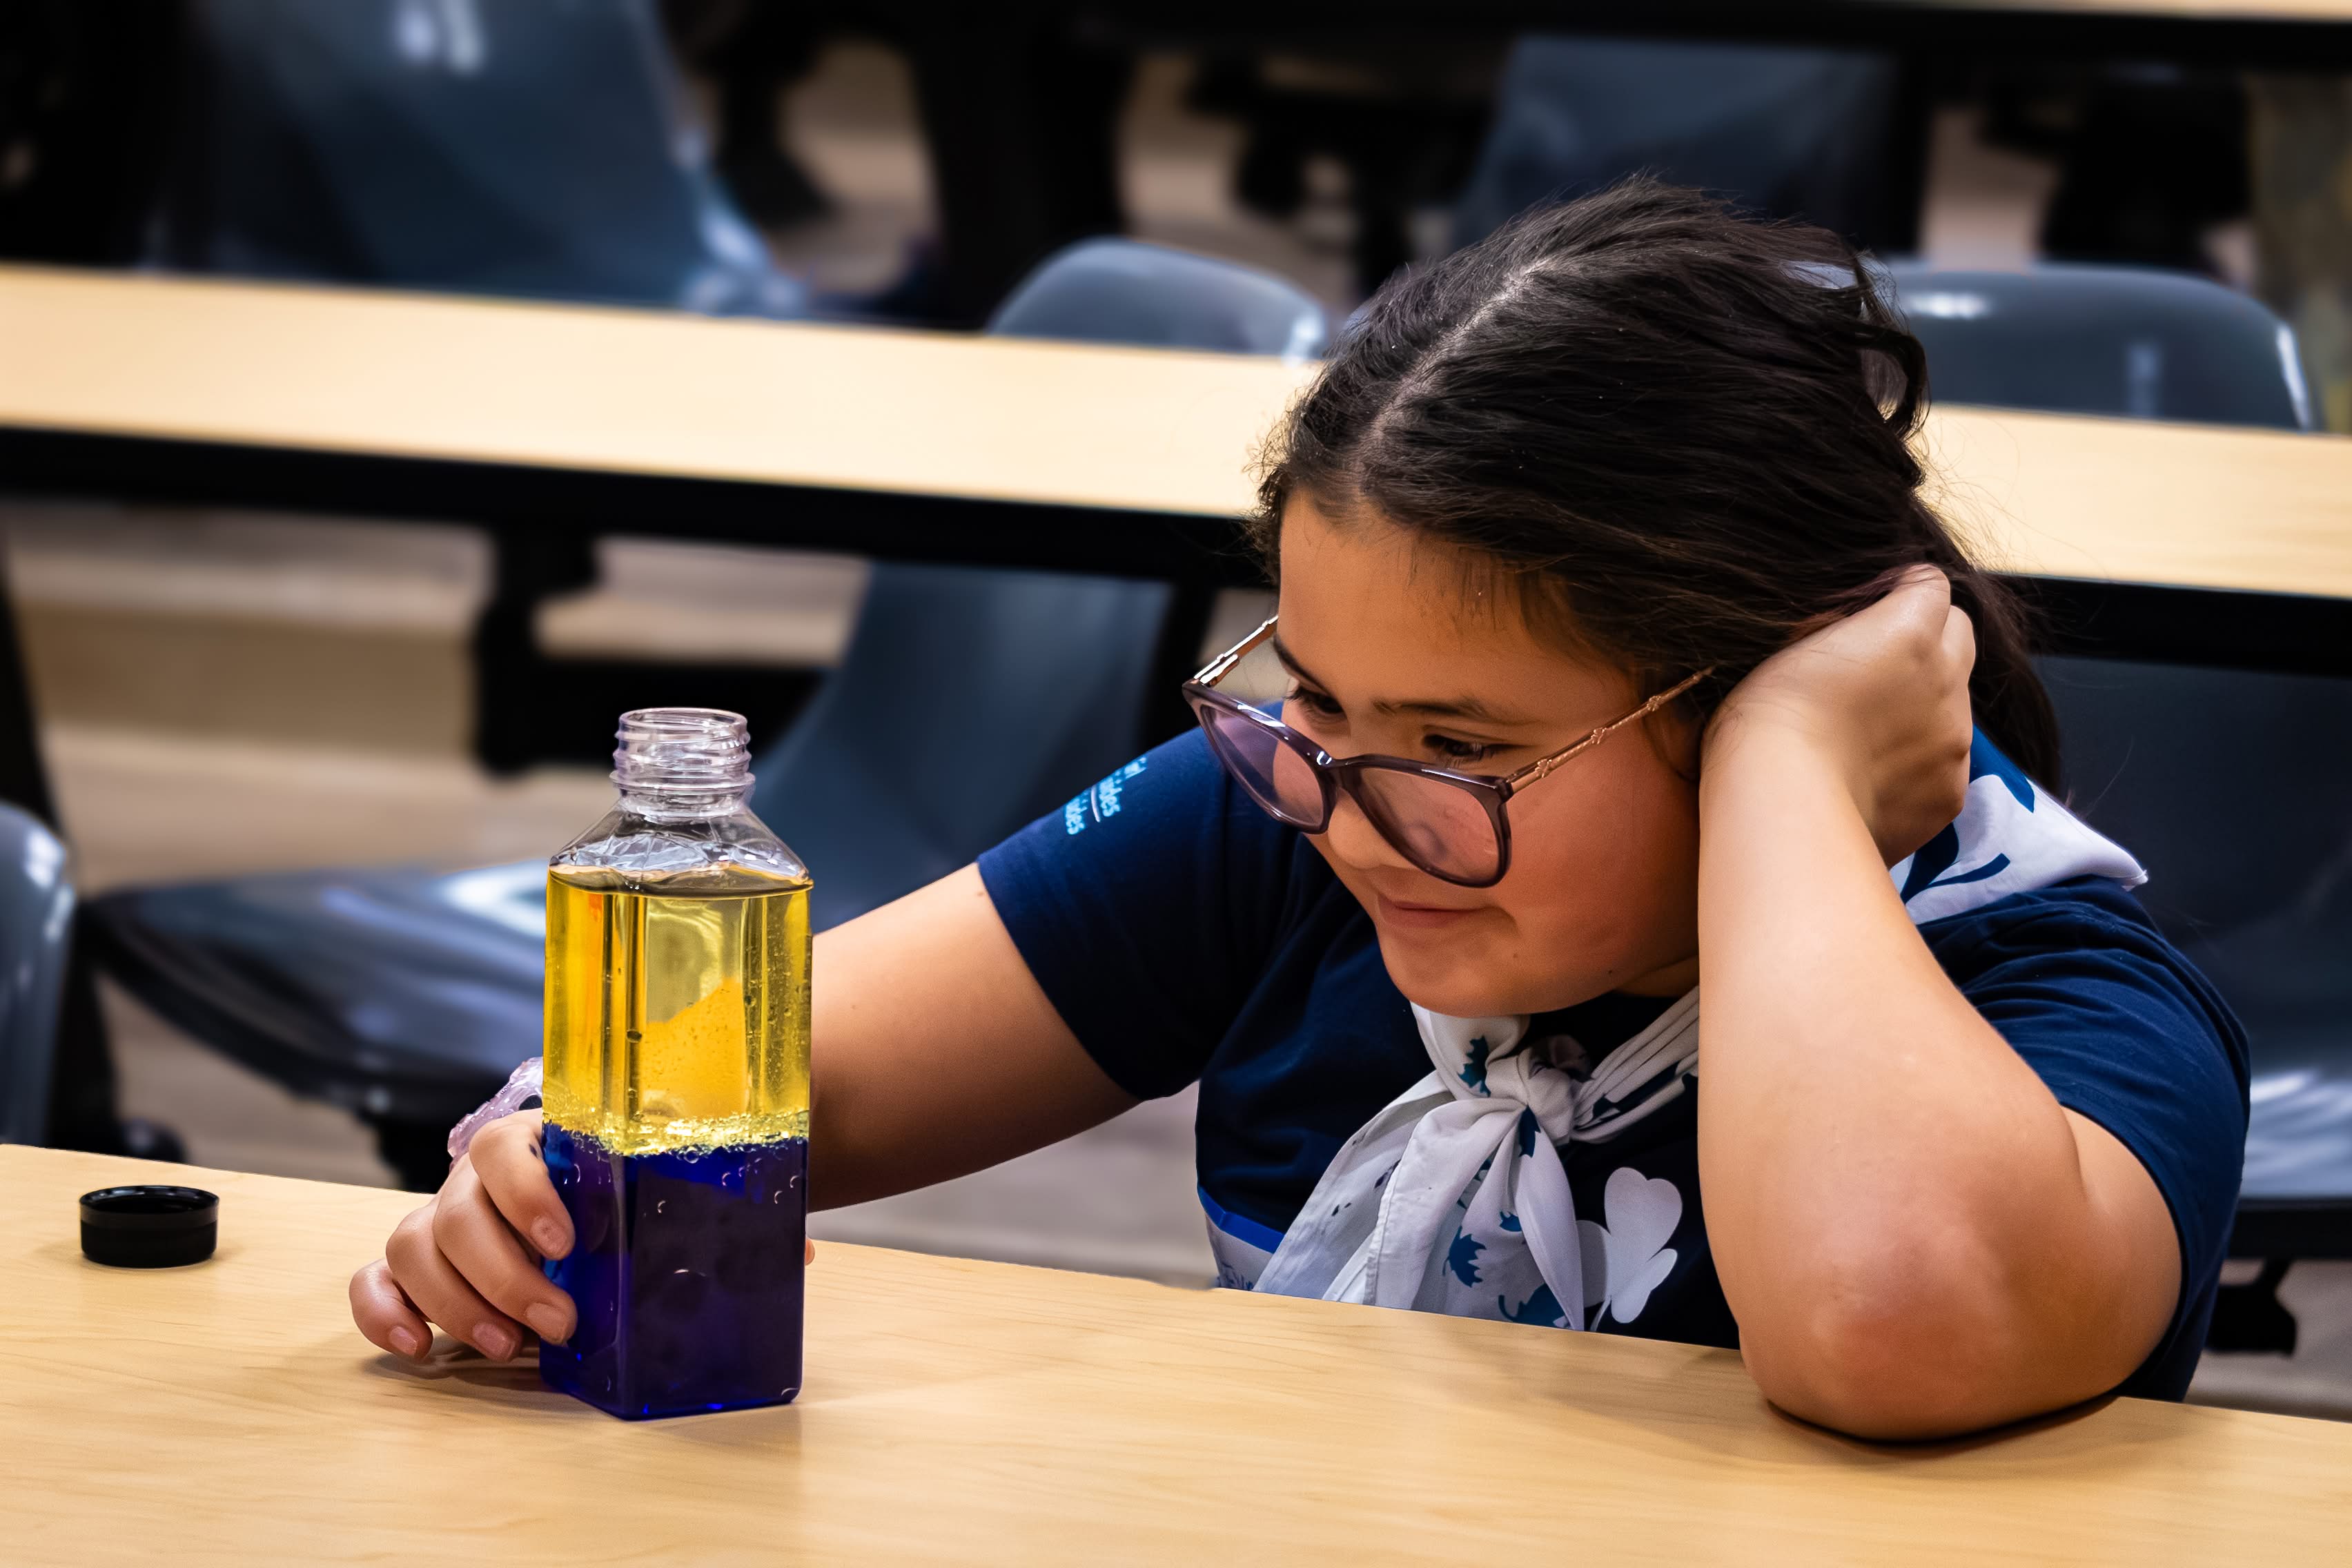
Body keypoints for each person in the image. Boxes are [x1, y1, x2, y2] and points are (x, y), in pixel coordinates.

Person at [349, 180, 2246, 1442]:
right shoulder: (1319, 818)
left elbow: (1881, 1323)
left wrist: (1788, 778)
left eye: (1469, 748)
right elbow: (775, 1076)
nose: (1349, 812)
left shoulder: (2059, 1016)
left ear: (1769, 687)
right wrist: (535, 1175)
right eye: (1316, 701)